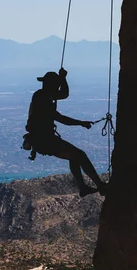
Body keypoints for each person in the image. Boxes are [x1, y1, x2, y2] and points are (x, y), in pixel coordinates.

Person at [25, 68, 108, 197]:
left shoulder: (42, 95)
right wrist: (81, 123)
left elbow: (64, 94)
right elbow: (61, 118)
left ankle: (83, 187)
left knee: (74, 156)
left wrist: (63, 79)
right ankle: (99, 185)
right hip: (44, 140)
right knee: (80, 155)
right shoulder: (42, 99)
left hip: (42, 140)